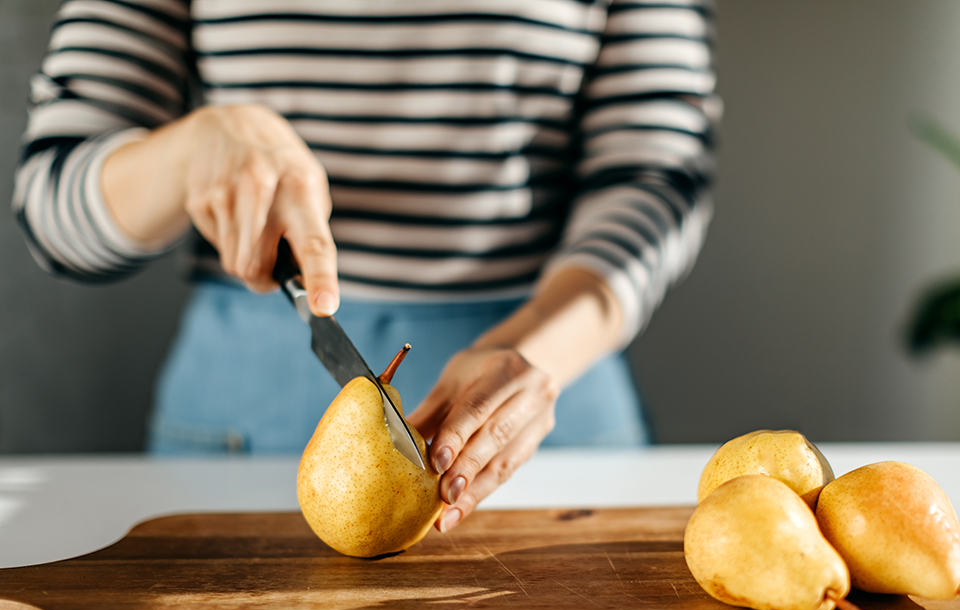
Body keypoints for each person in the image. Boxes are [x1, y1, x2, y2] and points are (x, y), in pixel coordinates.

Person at [13, 0, 719, 533]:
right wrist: (192, 149)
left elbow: (656, 175)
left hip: (538, 397)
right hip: (241, 414)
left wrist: (539, 349)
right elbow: (53, 205)